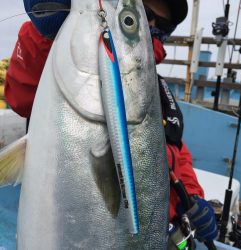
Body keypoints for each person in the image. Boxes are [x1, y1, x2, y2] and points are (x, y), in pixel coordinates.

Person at [4, 0, 218, 248]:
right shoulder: (64, 54)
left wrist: (192, 196)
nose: (151, 24)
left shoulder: (155, 90)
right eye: (144, 14)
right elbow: (21, 95)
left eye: (163, 25)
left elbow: (175, 152)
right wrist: (44, 31)